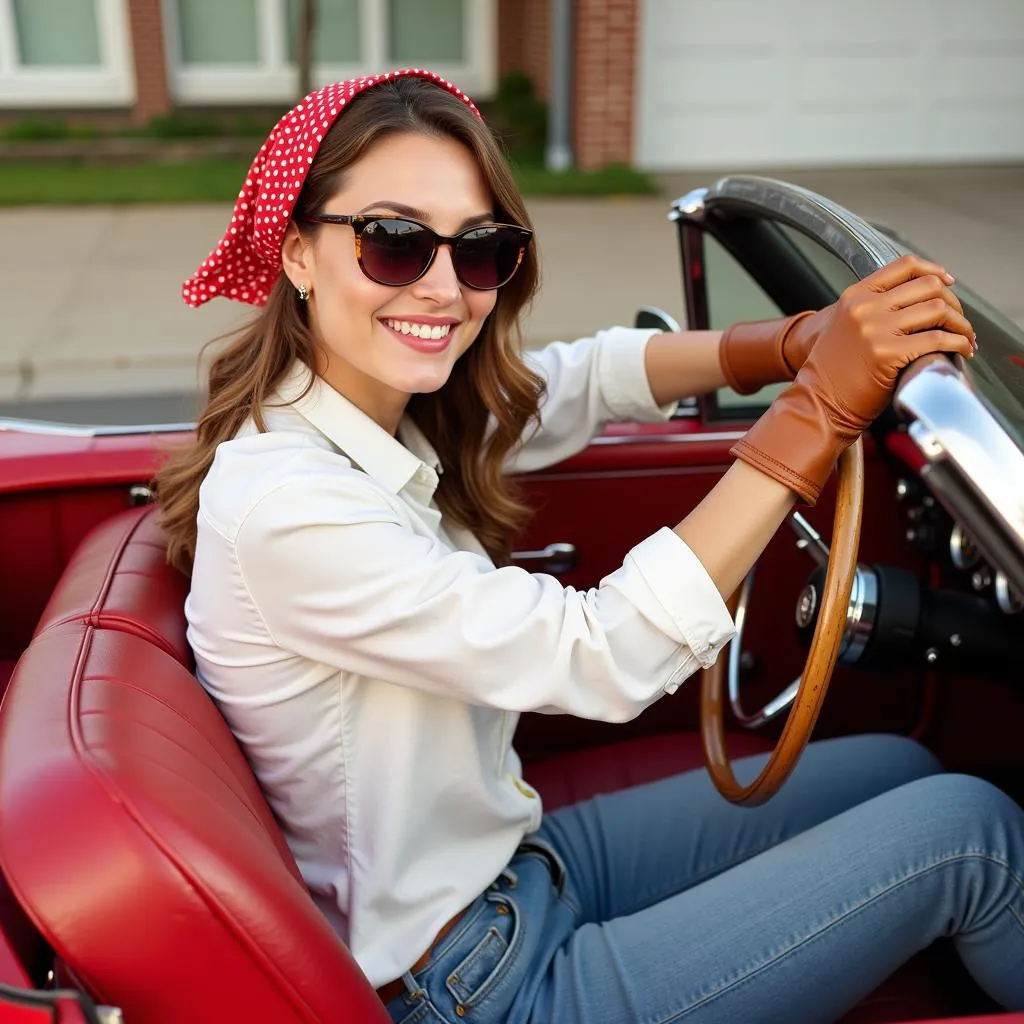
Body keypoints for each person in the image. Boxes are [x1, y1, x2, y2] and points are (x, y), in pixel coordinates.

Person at [156, 69, 1024, 1024]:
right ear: (298, 257)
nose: (444, 288)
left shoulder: (377, 416)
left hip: (511, 870)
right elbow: (604, 653)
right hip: (472, 988)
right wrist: (819, 407)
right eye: (394, 242)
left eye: (480, 249)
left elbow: (582, 378)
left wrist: (790, 342)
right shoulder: (291, 506)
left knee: (904, 770)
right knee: (972, 837)